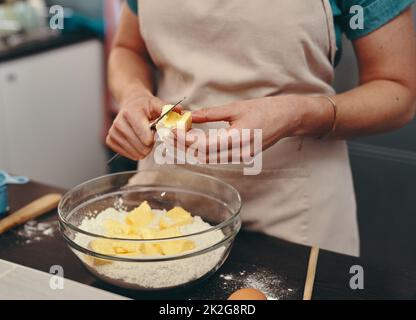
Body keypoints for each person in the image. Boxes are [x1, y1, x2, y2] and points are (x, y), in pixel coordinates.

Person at [106, 0, 416, 256]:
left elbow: (400, 92)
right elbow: (127, 49)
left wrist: (298, 113)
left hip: (292, 211)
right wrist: (133, 94)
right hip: (166, 195)